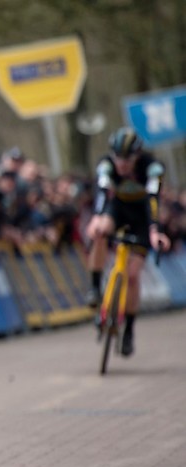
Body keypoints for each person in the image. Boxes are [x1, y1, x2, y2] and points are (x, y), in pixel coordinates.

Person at [85, 127, 170, 356]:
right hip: (119, 210)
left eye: (127, 159)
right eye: (118, 158)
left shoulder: (152, 168)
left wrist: (155, 231)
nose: (122, 164)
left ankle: (129, 330)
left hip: (142, 218)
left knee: (132, 276)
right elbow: (103, 193)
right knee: (100, 231)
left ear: (137, 156)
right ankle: (94, 287)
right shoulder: (107, 165)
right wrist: (96, 219)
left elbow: (153, 200)